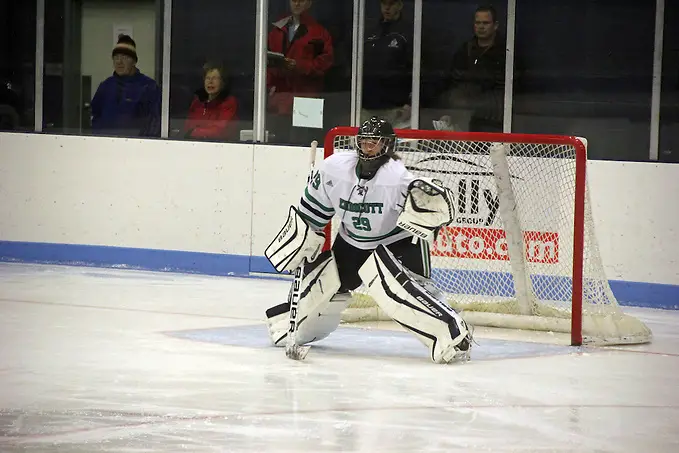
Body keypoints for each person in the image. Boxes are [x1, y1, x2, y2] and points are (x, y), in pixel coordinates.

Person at [263, 117, 473, 364]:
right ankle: (289, 326)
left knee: (398, 291)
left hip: (396, 244)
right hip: (351, 244)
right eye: (363, 141)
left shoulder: (396, 179)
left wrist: (428, 214)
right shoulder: (334, 169)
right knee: (320, 286)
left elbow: (426, 219)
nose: (367, 147)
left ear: (387, 145)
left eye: (374, 142)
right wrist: (304, 239)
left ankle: (453, 334)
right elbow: (311, 215)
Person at [266, 0, 334, 144]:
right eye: (293, 0)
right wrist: (269, 86)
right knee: (279, 141)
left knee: (305, 141)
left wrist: (300, 66)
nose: (296, 3)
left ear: (309, 3)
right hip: (281, 96)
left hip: (307, 96)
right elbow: (266, 60)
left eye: (301, 0)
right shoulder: (277, 29)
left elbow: (325, 63)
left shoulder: (319, 32)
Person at [438, 5, 506, 132]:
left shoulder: (506, 51)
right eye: (478, 23)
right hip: (470, 115)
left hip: (497, 118)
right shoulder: (465, 50)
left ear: (495, 25)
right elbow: (454, 81)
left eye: (485, 23)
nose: (481, 27)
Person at [90, 34, 161, 137]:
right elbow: (95, 116)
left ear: (134, 61)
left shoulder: (148, 87)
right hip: (106, 146)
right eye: (116, 57)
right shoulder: (105, 86)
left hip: (136, 148)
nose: (119, 62)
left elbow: (155, 123)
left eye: (125, 57)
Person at [361, 0, 412, 128]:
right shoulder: (370, 32)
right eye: (384, 4)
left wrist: (411, 103)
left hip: (396, 107)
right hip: (367, 106)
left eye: (391, 4)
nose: (387, 8)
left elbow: (417, 70)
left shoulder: (408, 33)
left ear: (400, 5)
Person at [182, 62, 238, 141]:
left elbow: (219, 132)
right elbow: (186, 128)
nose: (210, 81)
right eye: (208, 78)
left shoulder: (229, 102)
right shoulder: (197, 103)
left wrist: (195, 131)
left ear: (223, 82)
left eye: (215, 78)